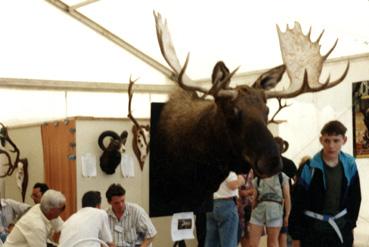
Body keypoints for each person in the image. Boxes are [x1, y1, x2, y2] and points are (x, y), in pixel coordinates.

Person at [289, 120, 362, 247]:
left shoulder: (350, 164)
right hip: (313, 231)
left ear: (344, 140)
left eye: (336, 140)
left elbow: (355, 197)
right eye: (327, 140)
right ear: (321, 140)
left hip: (340, 229)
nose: (331, 146)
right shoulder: (309, 167)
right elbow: (298, 201)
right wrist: (296, 236)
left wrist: (350, 224)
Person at [248, 171, 291, 247]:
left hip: (274, 212)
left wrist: (287, 215)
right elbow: (254, 198)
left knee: (272, 243)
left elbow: (287, 197)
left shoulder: (281, 176)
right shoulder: (259, 176)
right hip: (260, 211)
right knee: (254, 244)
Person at [205, 171, 245, 247]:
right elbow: (233, 185)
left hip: (211, 204)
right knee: (229, 243)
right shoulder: (227, 166)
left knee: (211, 242)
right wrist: (242, 179)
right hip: (226, 204)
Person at [274, 137, 297, 247]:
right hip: (286, 201)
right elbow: (297, 181)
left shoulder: (268, 163)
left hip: (273, 202)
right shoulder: (289, 163)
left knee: (274, 236)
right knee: (284, 233)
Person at [237, 169, 255, 247]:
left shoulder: (252, 171)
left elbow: (256, 189)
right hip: (237, 208)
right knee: (239, 234)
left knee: (248, 235)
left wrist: (247, 192)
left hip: (249, 206)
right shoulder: (234, 170)